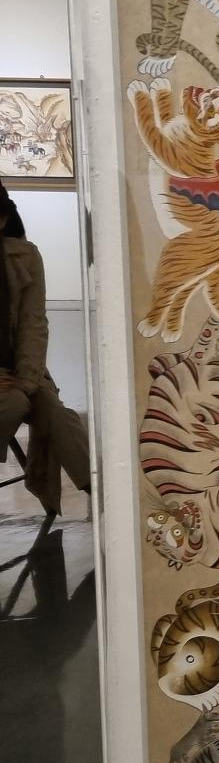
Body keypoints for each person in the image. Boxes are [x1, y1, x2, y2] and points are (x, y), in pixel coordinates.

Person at [0, 180, 90, 518]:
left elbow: (34, 324)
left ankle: (103, 494)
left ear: (4, 220)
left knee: (56, 413)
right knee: (12, 403)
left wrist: (26, 381)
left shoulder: (24, 256)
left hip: (21, 371)